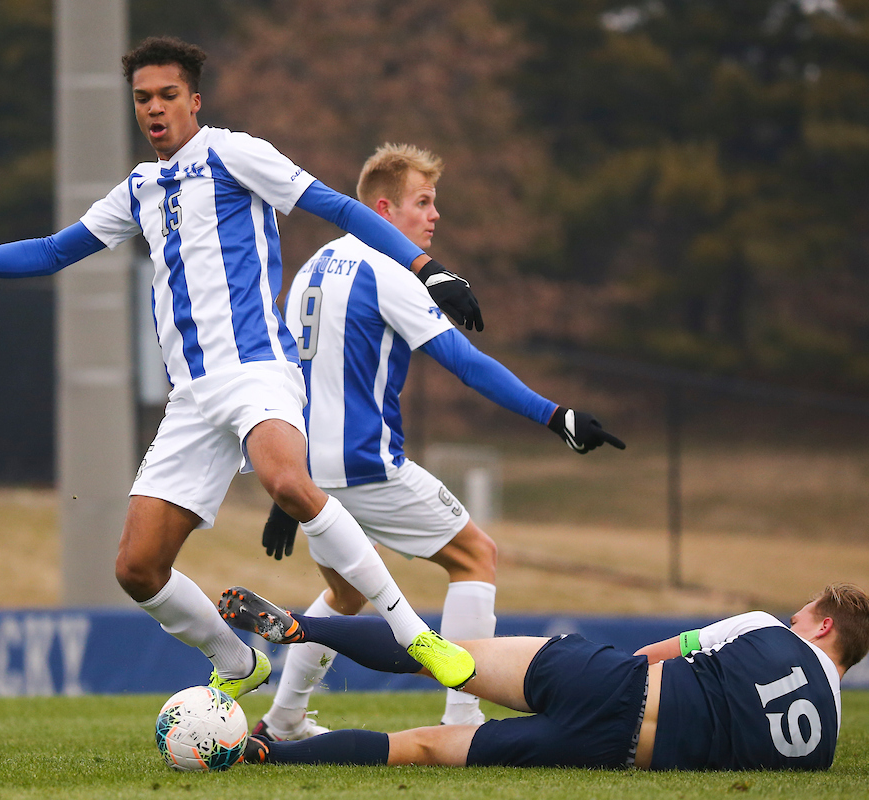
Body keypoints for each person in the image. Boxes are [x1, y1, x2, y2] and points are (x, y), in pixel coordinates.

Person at [0, 37, 486, 699]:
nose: (154, 108)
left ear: (194, 100)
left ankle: (414, 635)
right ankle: (238, 664)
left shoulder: (234, 152)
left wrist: (428, 270)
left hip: (258, 369)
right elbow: (54, 251)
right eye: (142, 97)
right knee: (137, 569)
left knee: (288, 481)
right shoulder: (140, 188)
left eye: (167, 95)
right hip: (193, 398)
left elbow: (338, 208)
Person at [244, 143, 625, 740]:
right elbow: (466, 364)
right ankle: (462, 721)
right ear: (383, 208)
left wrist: (287, 488)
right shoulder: (389, 268)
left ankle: (284, 719)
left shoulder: (314, 267)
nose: (434, 216)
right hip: (368, 467)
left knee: (344, 593)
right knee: (475, 556)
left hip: (313, 472)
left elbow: (297, 379)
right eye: (423, 202)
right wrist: (557, 415)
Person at [223, 583, 869, 771]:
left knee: (441, 652)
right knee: (419, 748)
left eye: (805, 618)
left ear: (821, 628)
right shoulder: (820, 748)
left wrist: (601, 672)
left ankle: (303, 629)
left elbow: (664, 653)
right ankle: (268, 757)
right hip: (611, 753)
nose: (794, 621)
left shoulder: (766, 628)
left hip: (615, 685)